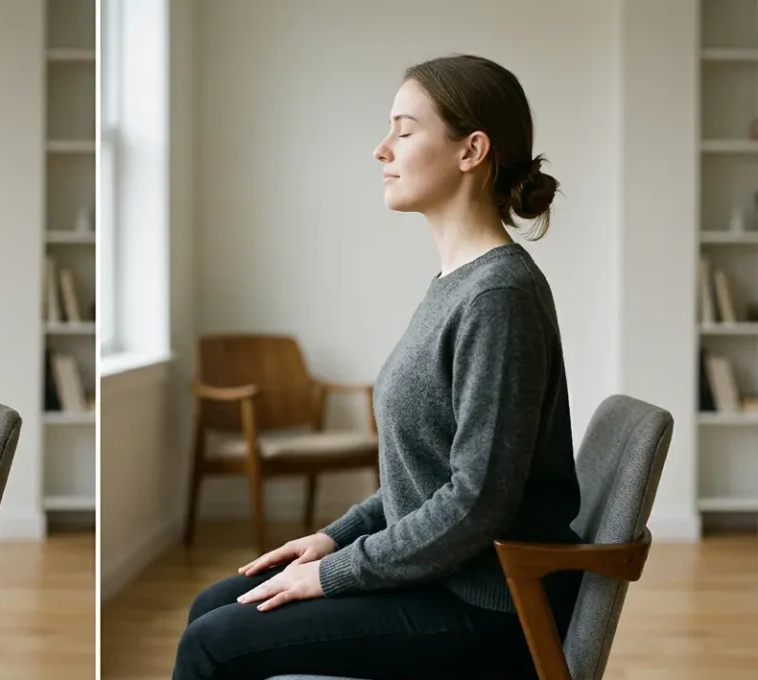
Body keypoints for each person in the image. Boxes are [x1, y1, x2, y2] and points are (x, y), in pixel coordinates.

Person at [172, 54, 585, 680]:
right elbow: (421, 479)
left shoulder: (498, 296)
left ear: (472, 149)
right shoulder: (457, 283)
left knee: (214, 643)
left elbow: (476, 502)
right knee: (212, 606)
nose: (381, 149)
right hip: (447, 578)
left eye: (405, 129)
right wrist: (333, 538)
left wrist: (335, 574)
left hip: (490, 607)